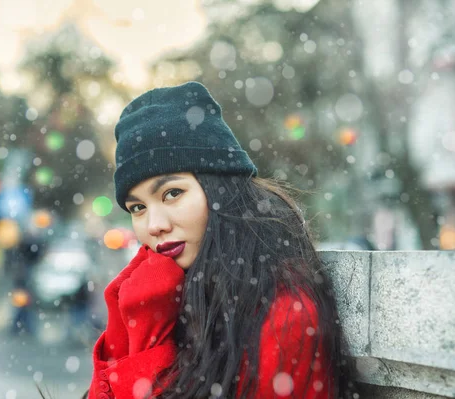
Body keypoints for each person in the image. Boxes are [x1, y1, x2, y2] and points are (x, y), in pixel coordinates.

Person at [84, 81, 350, 398]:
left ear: (219, 190)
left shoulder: (282, 314)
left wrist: (146, 330)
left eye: (172, 193)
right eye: (138, 208)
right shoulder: (172, 290)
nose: (154, 225)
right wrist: (138, 319)